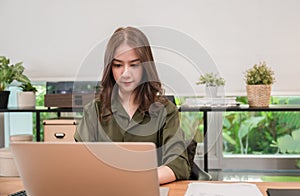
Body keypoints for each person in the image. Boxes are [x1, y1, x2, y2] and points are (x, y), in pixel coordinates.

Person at [74, 26, 190, 184]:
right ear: (110, 68)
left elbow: (177, 165)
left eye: (134, 65)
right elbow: (80, 165)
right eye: (118, 65)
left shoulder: (166, 111)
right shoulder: (94, 111)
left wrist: (133, 180)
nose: (126, 73)